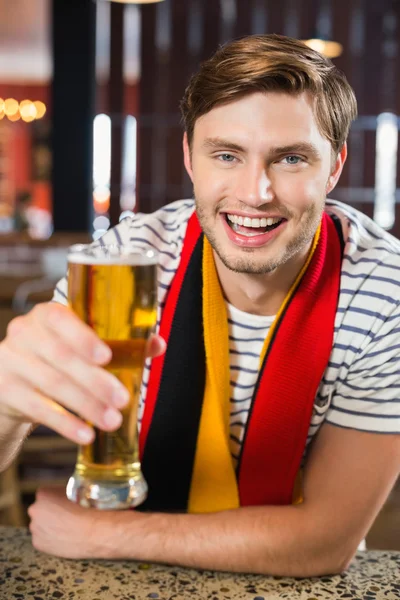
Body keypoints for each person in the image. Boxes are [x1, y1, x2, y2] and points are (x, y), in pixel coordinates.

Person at [0, 33, 399, 577]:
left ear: (334, 167)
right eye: (227, 154)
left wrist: (106, 533)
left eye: (290, 158)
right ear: (190, 156)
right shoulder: (121, 263)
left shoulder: (386, 292)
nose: (255, 192)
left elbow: (322, 541)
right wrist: (5, 403)